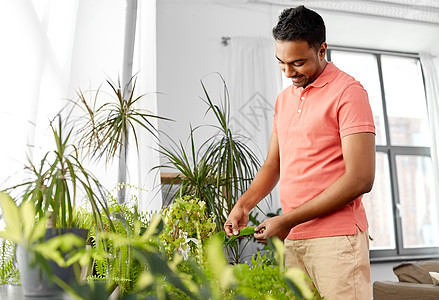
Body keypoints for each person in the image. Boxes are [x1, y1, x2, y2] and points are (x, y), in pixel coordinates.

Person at [224, 5, 376, 300]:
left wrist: (287, 219)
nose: (288, 72)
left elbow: (361, 179)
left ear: (322, 50)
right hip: (295, 240)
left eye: (297, 63)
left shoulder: (349, 92)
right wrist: (243, 205)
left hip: (338, 240)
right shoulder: (284, 99)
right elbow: (273, 164)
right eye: (281, 63)